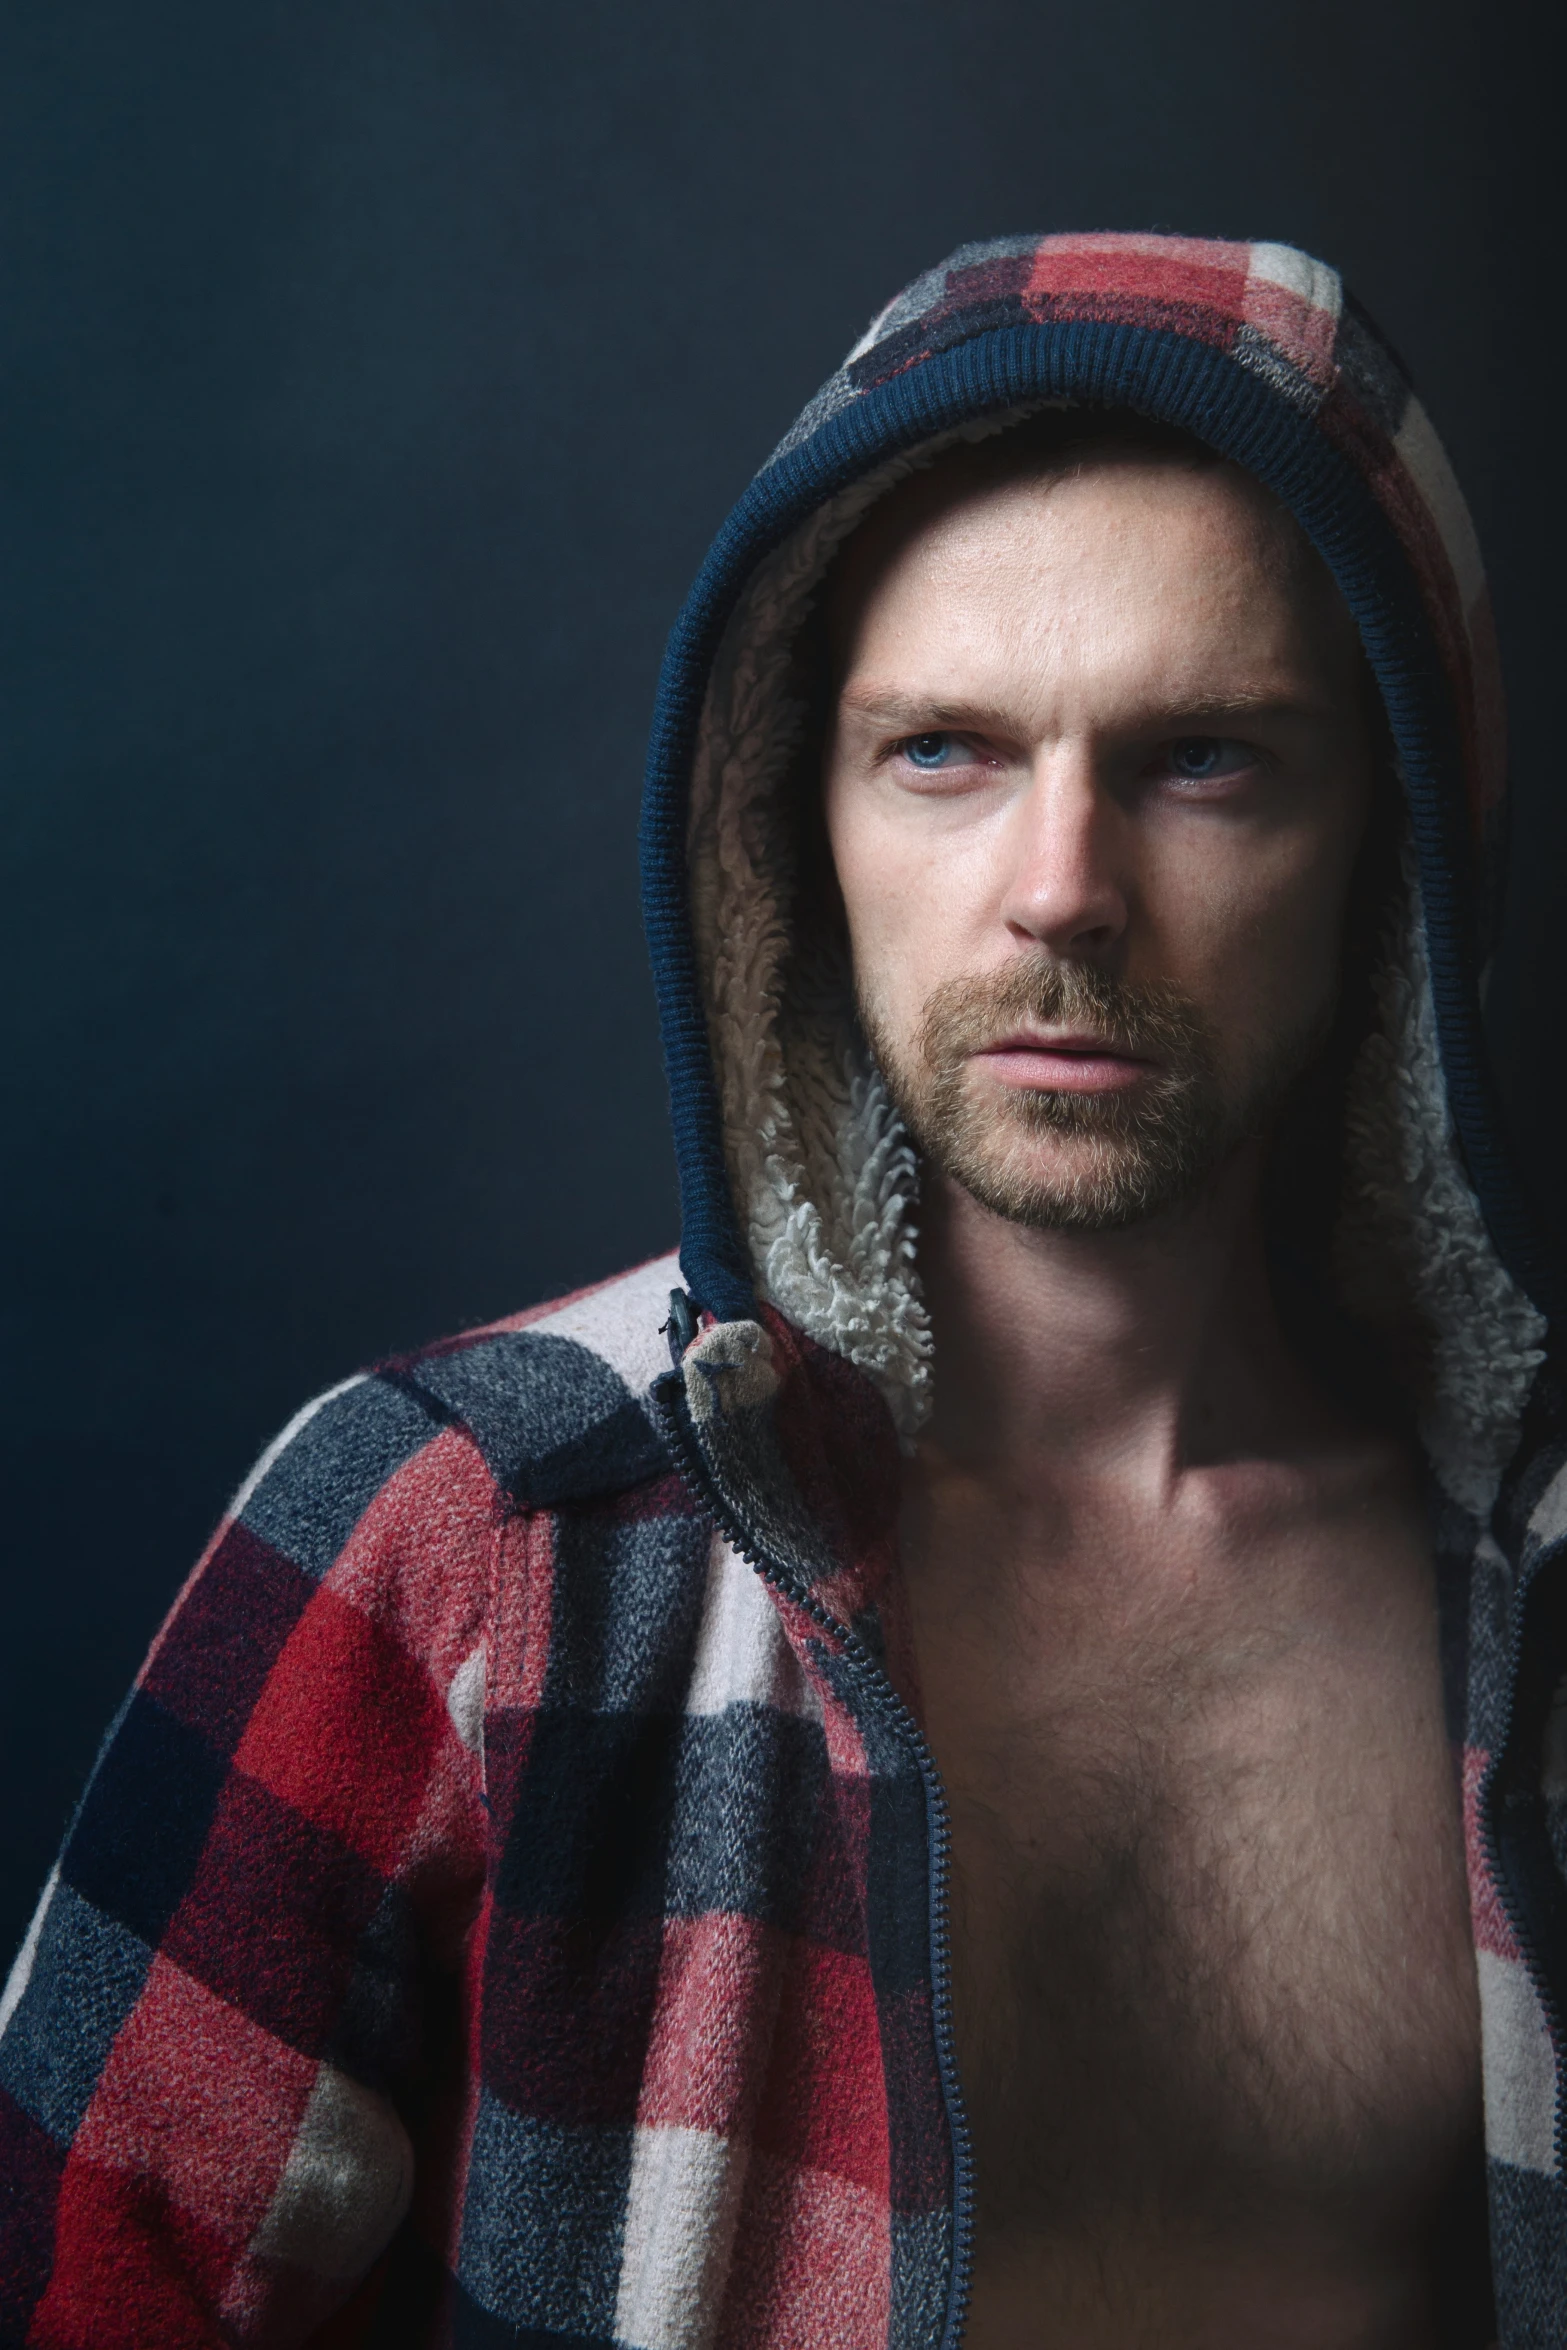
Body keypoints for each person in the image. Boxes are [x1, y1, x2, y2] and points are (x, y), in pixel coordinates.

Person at [0, 232, 1561, 2350]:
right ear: (786, 824)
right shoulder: (467, 1537)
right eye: (944, 751)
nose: (1061, 888)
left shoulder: (1532, 1595)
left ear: (1393, 846)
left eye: (1204, 757)